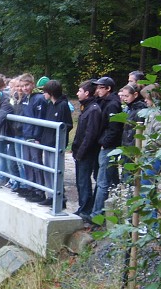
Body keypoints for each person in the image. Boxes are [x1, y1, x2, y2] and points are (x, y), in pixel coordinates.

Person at [90, 76, 123, 221]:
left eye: (100, 87)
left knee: (102, 182)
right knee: (112, 179)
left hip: (108, 147)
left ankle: (96, 215)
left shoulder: (112, 105)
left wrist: (105, 142)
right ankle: (116, 210)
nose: (97, 90)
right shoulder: (104, 102)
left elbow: (114, 128)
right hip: (106, 146)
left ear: (108, 89)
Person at [39, 80, 73, 207]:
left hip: (56, 144)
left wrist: (56, 134)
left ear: (51, 92)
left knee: (55, 170)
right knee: (47, 170)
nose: (43, 94)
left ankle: (59, 198)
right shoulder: (49, 105)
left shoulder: (63, 105)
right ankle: (50, 195)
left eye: (45, 91)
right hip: (47, 142)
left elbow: (68, 124)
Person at [71, 80, 102, 223]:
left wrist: (81, 152)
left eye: (79, 91)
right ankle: (82, 207)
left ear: (87, 93)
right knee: (80, 181)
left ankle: (86, 209)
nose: (77, 93)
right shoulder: (87, 108)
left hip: (87, 153)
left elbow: (90, 135)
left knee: (84, 181)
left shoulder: (94, 109)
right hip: (80, 151)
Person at [19, 73, 47, 203]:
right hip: (26, 134)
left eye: (27, 85)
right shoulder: (25, 98)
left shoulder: (39, 98)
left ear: (32, 85)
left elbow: (40, 119)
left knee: (36, 162)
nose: (24, 88)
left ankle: (39, 191)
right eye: (22, 86)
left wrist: (37, 136)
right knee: (27, 162)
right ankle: (30, 187)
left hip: (34, 136)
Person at [120, 83, 147, 183]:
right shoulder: (131, 109)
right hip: (127, 147)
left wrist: (131, 149)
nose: (124, 99)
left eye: (127, 96)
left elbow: (137, 132)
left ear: (135, 95)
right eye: (123, 96)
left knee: (130, 178)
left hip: (132, 149)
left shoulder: (140, 111)